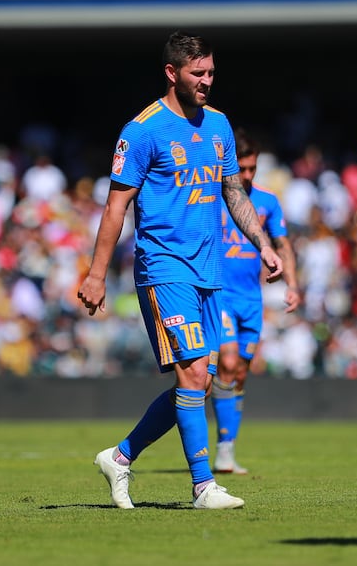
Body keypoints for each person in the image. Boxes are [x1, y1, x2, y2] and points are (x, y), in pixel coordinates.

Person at [77, 31, 284, 510]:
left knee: (199, 381)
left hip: (208, 271)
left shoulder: (220, 126)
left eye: (211, 72)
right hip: (164, 267)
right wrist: (95, 274)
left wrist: (264, 245)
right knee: (193, 375)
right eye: (198, 73)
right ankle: (203, 487)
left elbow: (234, 193)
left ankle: (120, 457)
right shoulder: (143, 130)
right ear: (172, 74)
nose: (208, 81)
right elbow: (115, 208)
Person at [211, 128, 301, 474]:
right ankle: (220, 448)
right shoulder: (212, 198)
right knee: (229, 362)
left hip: (252, 298)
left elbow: (283, 245)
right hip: (220, 295)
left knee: (242, 374)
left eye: (252, 169)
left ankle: (227, 447)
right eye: (241, 169)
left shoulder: (268, 202)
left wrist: (292, 284)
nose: (246, 175)